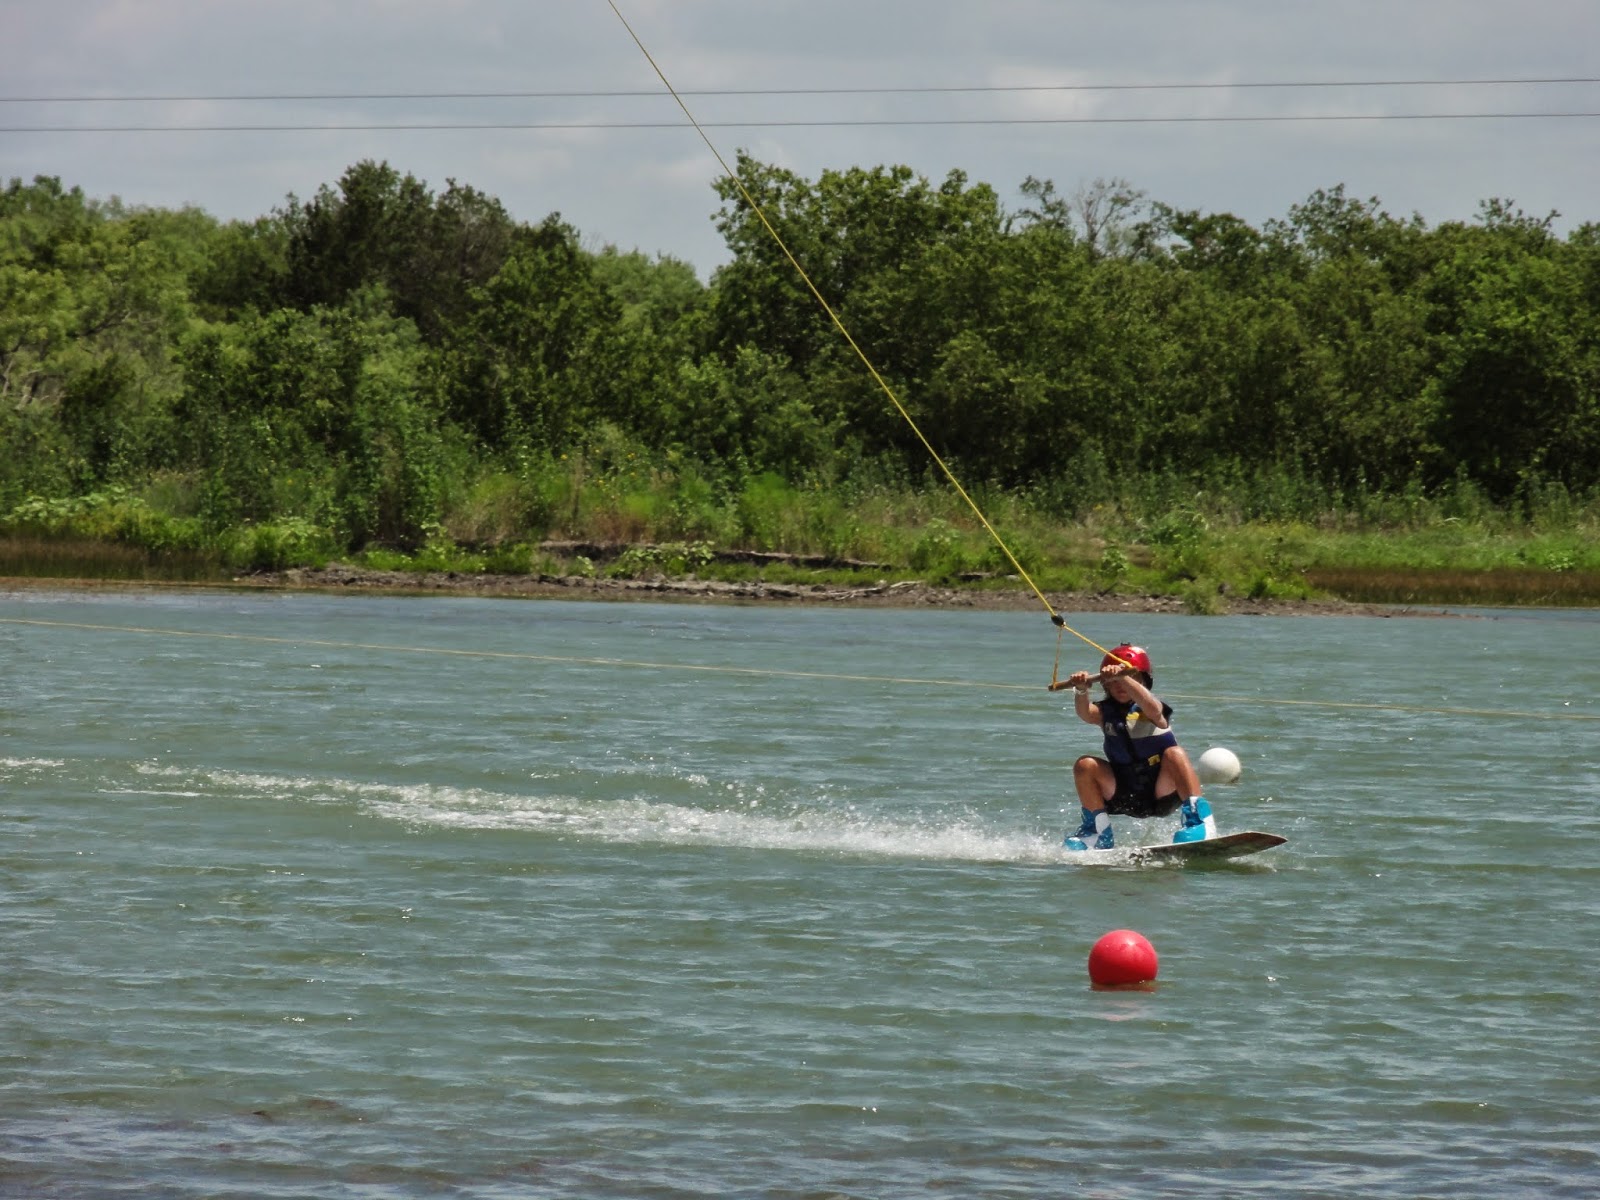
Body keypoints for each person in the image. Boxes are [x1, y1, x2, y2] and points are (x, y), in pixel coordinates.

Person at [1047, 643, 1217, 850]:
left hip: (1161, 792)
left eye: (1131, 679)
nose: (1119, 686)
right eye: (1113, 682)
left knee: (1175, 753)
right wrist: (1081, 689)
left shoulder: (1153, 708)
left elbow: (1152, 708)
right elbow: (1085, 713)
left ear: (1143, 681)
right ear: (1106, 685)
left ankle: (1201, 823)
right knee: (1085, 765)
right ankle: (1096, 835)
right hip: (1124, 794)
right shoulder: (1105, 712)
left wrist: (1122, 676)